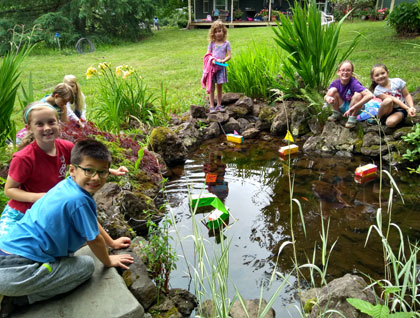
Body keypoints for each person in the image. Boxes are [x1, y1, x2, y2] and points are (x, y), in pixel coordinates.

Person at [0, 139, 133, 316]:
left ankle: (16, 291)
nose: (95, 177)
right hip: (16, 273)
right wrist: (108, 261)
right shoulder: (78, 200)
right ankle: (20, 300)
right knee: (85, 267)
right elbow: (93, 238)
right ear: (72, 169)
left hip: (7, 256)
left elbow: (90, 221)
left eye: (102, 172)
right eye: (89, 170)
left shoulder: (66, 186)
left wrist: (113, 243)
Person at [0, 102, 128, 237]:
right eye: (40, 124)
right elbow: (9, 190)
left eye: (51, 122)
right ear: (29, 128)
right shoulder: (24, 158)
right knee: (5, 248)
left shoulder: (65, 147)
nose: (47, 127)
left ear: (58, 123)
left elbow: (85, 164)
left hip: (47, 209)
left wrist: (111, 171)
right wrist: (41, 197)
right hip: (20, 213)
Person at [324, 60, 373, 128]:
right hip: (343, 105)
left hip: (355, 107)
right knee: (333, 90)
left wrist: (354, 107)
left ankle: (352, 118)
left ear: (352, 73)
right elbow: (326, 96)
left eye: (348, 70)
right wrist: (328, 98)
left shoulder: (354, 83)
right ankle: (336, 113)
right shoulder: (335, 83)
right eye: (343, 70)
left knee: (358, 94)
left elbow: (370, 95)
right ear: (338, 72)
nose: (345, 72)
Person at [202, 20, 231, 113]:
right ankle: (211, 106)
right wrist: (212, 60)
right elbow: (207, 54)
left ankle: (219, 105)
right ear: (213, 33)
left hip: (221, 68)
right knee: (211, 86)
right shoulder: (212, 43)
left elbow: (229, 55)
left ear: (224, 31)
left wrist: (222, 60)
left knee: (219, 87)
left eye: (220, 31)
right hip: (212, 68)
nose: (218, 33)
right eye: (216, 31)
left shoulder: (227, 43)